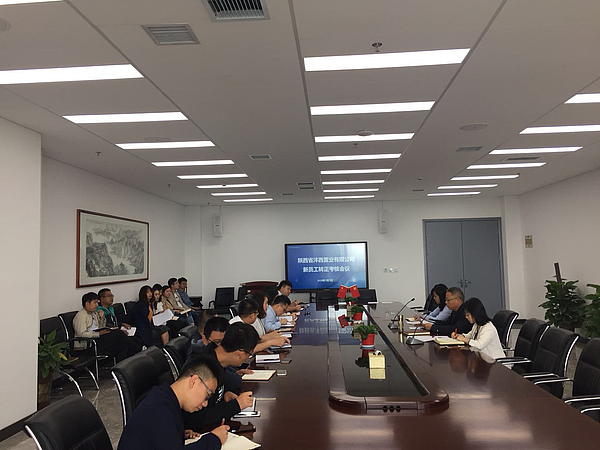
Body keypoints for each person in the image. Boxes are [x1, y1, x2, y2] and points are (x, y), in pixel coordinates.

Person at [117, 355, 229, 450]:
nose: (205, 403)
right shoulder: (159, 409)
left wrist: (177, 435)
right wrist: (214, 439)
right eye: (207, 395)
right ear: (194, 381)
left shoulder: (165, 397)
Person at [184, 323, 257, 432]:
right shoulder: (203, 367)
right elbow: (194, 418)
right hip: (199, 433)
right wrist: (236, 405)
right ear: (240, 353)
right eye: (249, 354)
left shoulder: (217, 358)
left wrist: (224, 394)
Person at [73, 292, 141, 362]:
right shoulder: (81, 316)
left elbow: (101, 327)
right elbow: (81, 334)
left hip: (98, 338)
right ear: (87, 304)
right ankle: (138, 350)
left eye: (97, 302)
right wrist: (98, 334)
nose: (97, 305)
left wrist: (102, 318)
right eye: (95, 302)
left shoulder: (94, 313)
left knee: (123, 345)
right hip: (89, 344)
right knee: (119, 333)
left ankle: (122, 366)